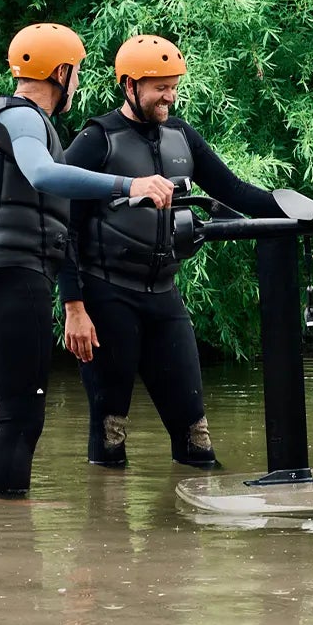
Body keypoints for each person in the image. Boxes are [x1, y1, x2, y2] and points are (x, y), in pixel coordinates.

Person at [0, 23, 174, 498]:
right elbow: (41, 174)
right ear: (60, 72)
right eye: (75, 72)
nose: (77, 82)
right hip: (17, 276)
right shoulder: (22, 117)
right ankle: (10, 556)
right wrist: (129, 184)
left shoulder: (3, 117)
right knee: (22, 417)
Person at [61, 35, 288, 469]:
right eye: (160, 87)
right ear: (130, 86)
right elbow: (62, 228)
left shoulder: (182, 135)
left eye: (173, 85)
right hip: (106, 296)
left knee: (196, 434)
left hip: (164, 296)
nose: (170, 95)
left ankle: (195, 523)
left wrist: (303, 211)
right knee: (110, 433)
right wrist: (74, 306)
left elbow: (236, 191)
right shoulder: (96, 139)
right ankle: (105, 528)